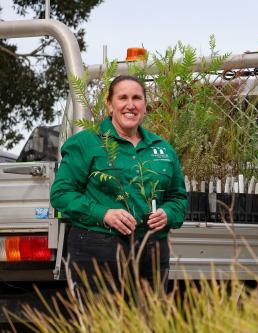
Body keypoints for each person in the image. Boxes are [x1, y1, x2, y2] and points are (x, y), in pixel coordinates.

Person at [50, 75, 187, 293]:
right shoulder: (86, 143)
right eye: (123, 98)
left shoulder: (162, 148)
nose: (130, 105)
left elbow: (178, 197)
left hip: (151, 250)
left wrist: (167, 213)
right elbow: (61, 194)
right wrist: (104, 214)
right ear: (110, 104)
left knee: (148, 323)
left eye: (137, 98)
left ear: (145, 104)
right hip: (98, 247)